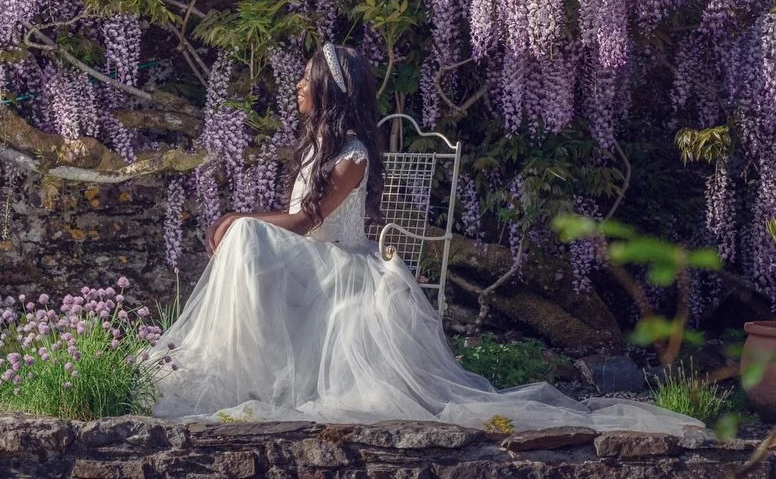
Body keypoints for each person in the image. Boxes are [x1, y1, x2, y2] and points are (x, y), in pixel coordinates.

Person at [150, 43, 701, 435]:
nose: (296, 85)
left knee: (247, 235)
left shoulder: (352, 157)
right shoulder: (319, 148)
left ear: (327, 91)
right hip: (312, 263)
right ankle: (243, 368)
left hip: (338, 266)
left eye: (305, 77)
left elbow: (304, 222)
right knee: (248, 237)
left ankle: (244, 366)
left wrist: (235, 219)